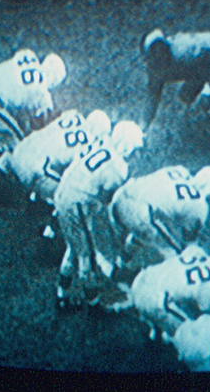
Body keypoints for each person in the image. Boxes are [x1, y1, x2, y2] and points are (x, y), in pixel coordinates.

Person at [53, 121, 144, 307]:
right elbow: (106, 198)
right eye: (134, 149)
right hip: (77, 202)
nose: (136, 155)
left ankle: (62, 292)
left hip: (64, 192)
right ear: (127, 145)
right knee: (86, 254)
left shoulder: (102, 142)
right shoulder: (118, 167)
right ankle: (92, 300)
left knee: (75, 246)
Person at [109, 244, 210, 340]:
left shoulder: (195, 251)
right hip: (150, 301)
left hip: (141, 278)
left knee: (171, 293)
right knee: (192, 333)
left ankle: (151, 322)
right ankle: (162, 336)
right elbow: (202, 310)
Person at [140, 29, 210, 140]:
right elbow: (152, 98)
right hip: (204, 65)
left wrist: (209, 90)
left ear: (164, 47)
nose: (158, 57)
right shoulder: (155, 69)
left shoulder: (182, 51)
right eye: (153, 55)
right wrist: (143, 129)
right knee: (186, 95)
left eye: (159, 51)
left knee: (207, 103)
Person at [108, 165, 210, 264]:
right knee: (177, 254)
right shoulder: (200, 205)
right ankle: (125, 271)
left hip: (120, 197)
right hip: (138, 215)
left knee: (158, 229)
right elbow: (189, 240)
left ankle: (126, 252)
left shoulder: (179, 170)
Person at [0, 109, 112, 203]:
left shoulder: (73, 116)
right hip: (33, 169)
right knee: (65, 191)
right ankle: (39, 203)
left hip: (20, 150)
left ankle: (0, 172)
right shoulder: (87, 144)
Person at [0, 49, 67, 152]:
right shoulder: (42, 93)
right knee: (19, 143)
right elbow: (42, 127)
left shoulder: (28, 54)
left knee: (5, 112)